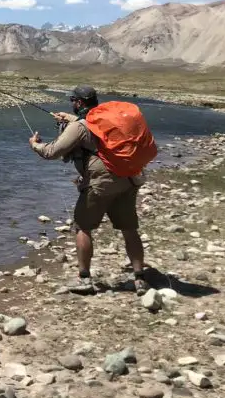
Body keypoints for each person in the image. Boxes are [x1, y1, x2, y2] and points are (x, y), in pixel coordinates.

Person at [28, 85, 150, 295]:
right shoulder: (106, 120)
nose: (72, 104)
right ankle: (140, 278)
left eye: (72, 101)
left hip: (100, 184)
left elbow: (51, 152)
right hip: (128, 180)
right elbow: (91, 128)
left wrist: (35, 145)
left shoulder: (79, 127)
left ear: (79, 103)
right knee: (129, 229)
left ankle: (84, 279)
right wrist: (69, 118)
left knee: (83, 227)